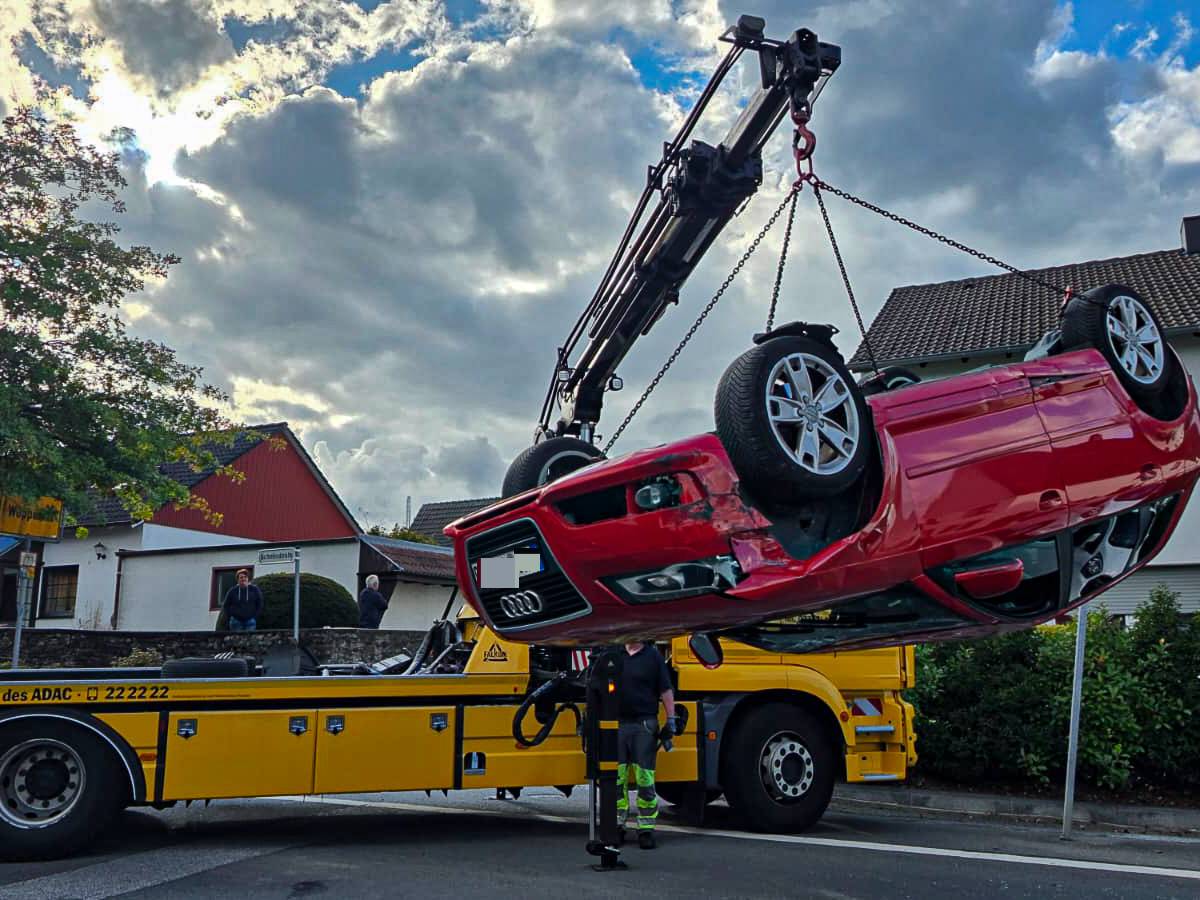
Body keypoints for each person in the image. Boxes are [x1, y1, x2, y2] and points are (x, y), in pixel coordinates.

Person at [615, 639, 677, 850]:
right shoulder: (615, 655)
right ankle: (617, 826)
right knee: (616, 778)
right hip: (618, 724)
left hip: (644, 725)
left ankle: (646, 829)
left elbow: (666, 690)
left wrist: (671, 720)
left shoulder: (653, 657)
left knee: (645, 778)